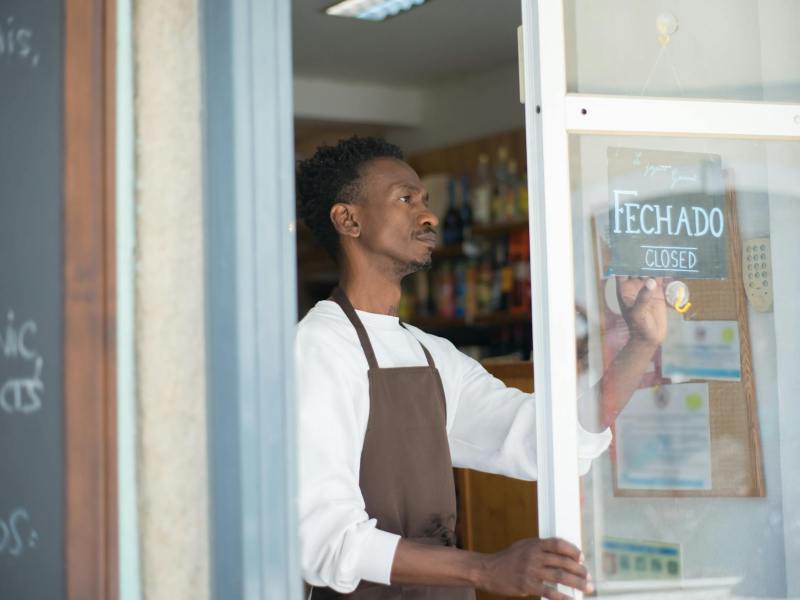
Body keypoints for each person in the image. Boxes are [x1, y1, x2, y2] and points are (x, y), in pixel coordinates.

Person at [294, 136, 667, 599]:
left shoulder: (431, 354)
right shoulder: (318, 347)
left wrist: (636, 343)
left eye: (425, 202)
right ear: (347, 218)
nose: (428, 216)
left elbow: (546, 443)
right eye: (406, 199)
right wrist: (484, 569)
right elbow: (324, 538)